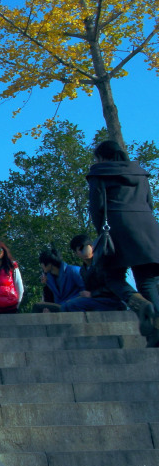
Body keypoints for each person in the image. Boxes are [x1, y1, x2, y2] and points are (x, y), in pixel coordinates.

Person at [87, 139, 159, 337]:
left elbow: (96, 209)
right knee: (148, 282)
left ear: (101, 157)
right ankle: (156, 331)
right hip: (149, 229)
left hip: (118, 228)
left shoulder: (99, 173)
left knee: (111, 276)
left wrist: (102, 233)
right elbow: (149, 203)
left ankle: (139, 303)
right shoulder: (140, 174)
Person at [59, 234, 125, 313]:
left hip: (111, 300)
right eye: (80, 249)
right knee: (65, 306)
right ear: (76, 253)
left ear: (92, 247)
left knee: (72, 306)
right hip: (96, 300)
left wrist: (93, 294)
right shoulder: (83, 270)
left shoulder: (104, 263)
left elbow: (114, 286)